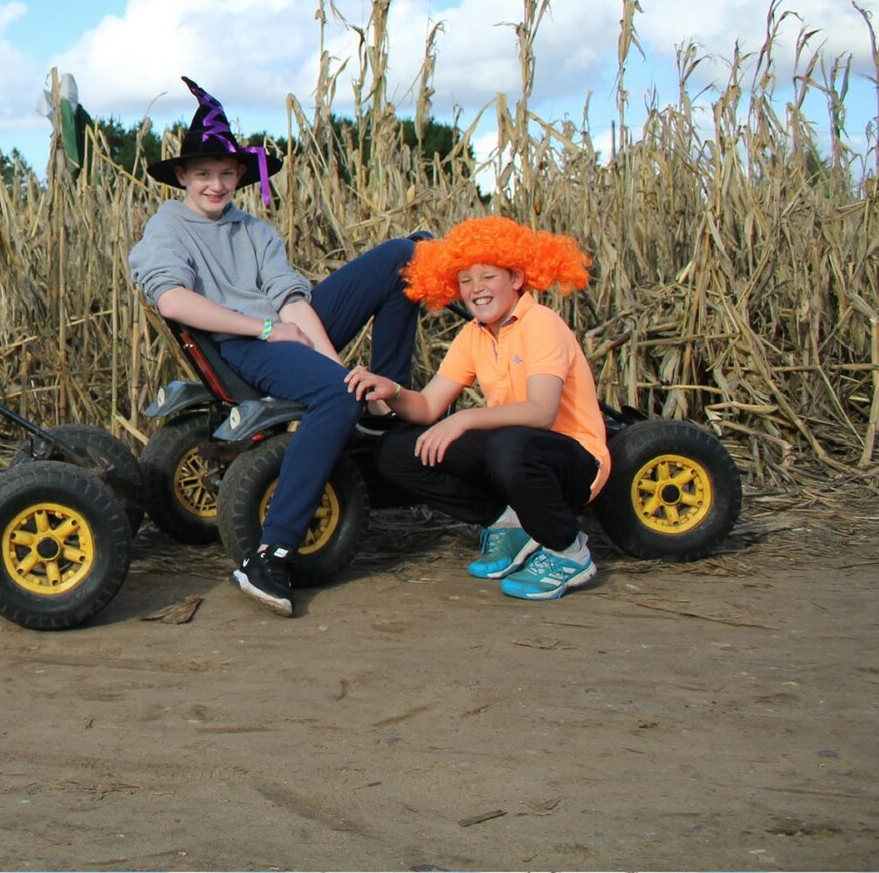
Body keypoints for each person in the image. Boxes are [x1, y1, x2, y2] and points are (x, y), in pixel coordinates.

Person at [127, 77, 420, 618]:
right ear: (184, 177)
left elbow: (290, 300)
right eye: (203, 174)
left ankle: (384, 406)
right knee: (334, 398)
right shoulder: (168, 227)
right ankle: (271, 552)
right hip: (239, 343)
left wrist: (341, 372)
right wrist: (264, 332)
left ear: (241, 174)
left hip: (281, 328)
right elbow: (173, 302)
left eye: (225, 173)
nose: (215, 185)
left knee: (409, 255)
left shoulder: (254, 230)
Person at [345, 216, 607, 601]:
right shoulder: (473, 335)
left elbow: (541, 413)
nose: (476, 290)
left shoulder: (542, 324)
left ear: (517, 278)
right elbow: (429, 406)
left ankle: (568, 551)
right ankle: (508, 523)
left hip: (574, 461)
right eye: (465, 280)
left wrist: (466, 419)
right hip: (515, 456)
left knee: (508, 446)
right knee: (397, 451)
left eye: (488, 277)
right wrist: (393, 390)